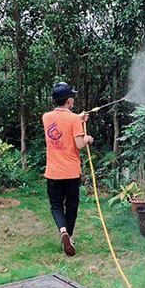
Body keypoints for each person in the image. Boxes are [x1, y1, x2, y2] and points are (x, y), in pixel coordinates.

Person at [42, 82, 93, 256]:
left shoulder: (46, 117)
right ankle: (69, 236)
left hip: (53, 172)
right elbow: (79, 144)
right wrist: (88, 139)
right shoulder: (73, 120)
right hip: (71, 172)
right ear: (69, 101)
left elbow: (61, 122)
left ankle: (63, 231)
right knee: (71, 205)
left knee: (56, 205)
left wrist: (77, 118)